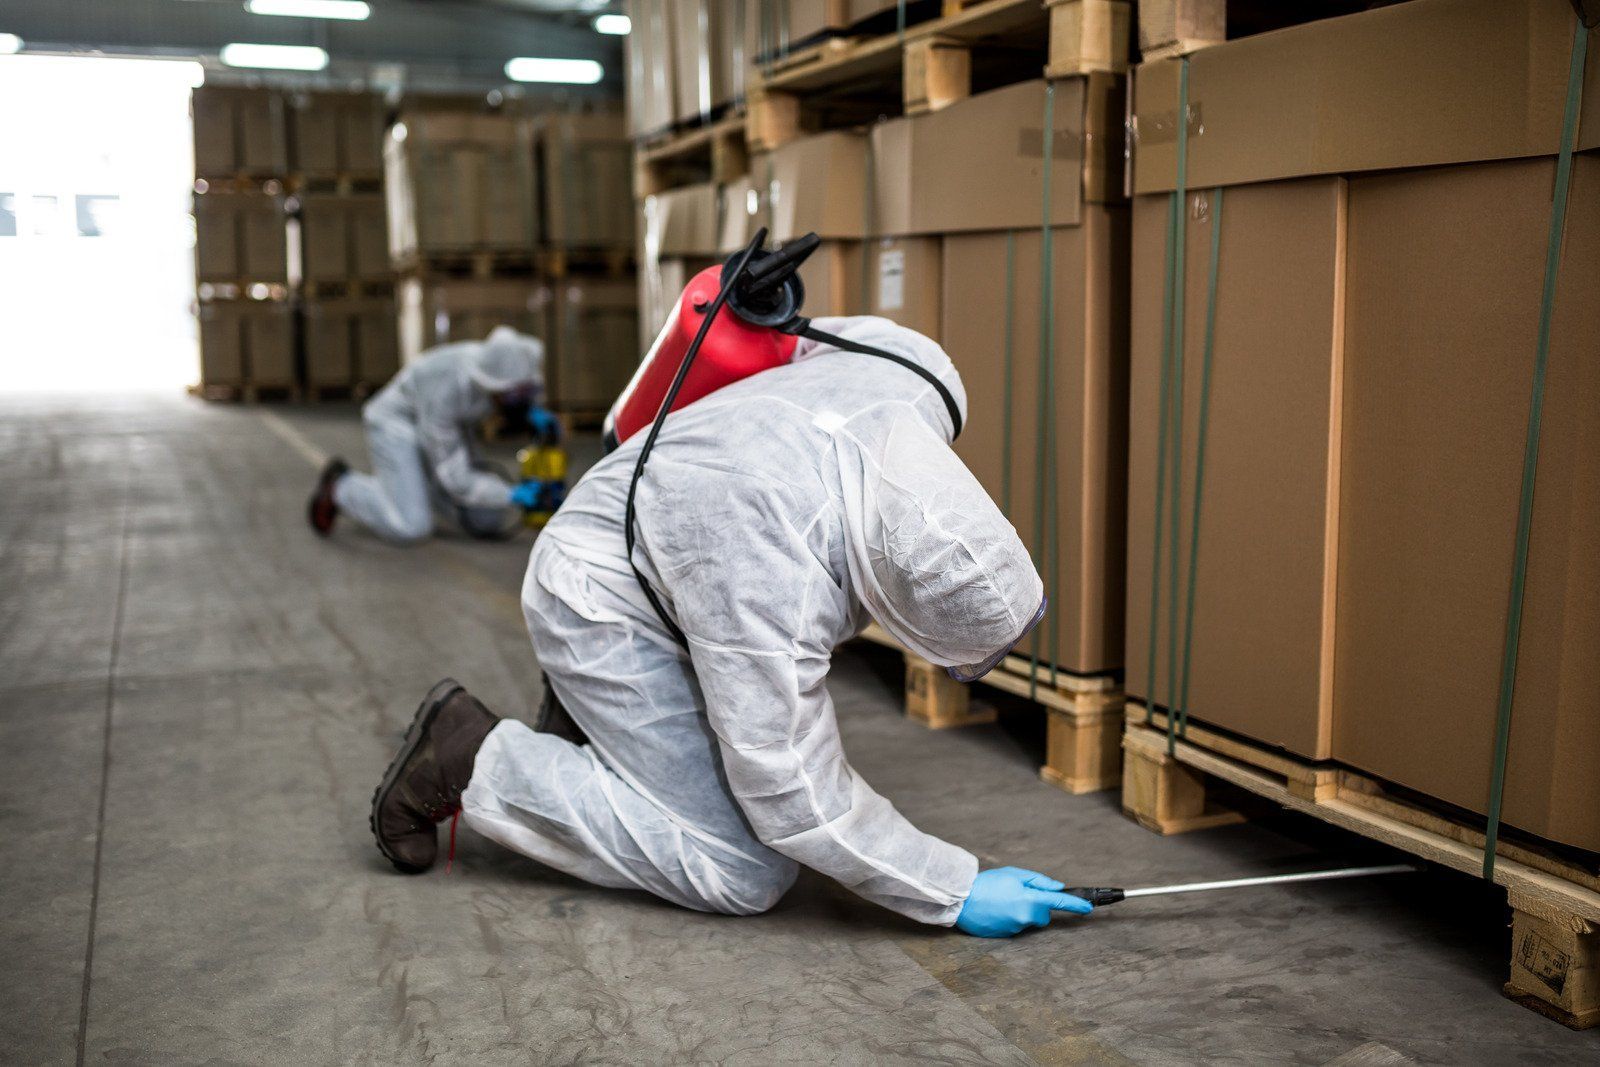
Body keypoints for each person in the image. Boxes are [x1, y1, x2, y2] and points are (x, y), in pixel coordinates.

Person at [369, 316, 1093, 937]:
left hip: (663, 532)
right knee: (745, 867)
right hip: (596, 593)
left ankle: (602, 725)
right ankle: (471, 753)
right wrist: (954, 890)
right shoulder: (772, 573)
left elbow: (819, 333)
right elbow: (792, 790)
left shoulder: (915, 375)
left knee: (730, 779)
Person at [308, 326, 551, 544]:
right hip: (396, 424)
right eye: (514, 396)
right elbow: (456, 479)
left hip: (444, 428)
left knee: (487, 519)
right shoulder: (446, 390)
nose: (519, 401)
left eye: (525, 393)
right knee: (411, 526)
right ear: (491, 384)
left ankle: (413, 488)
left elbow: (515, 389)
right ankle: (342, 487)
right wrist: (512, 494)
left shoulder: (495, 364)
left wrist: (533, 412)